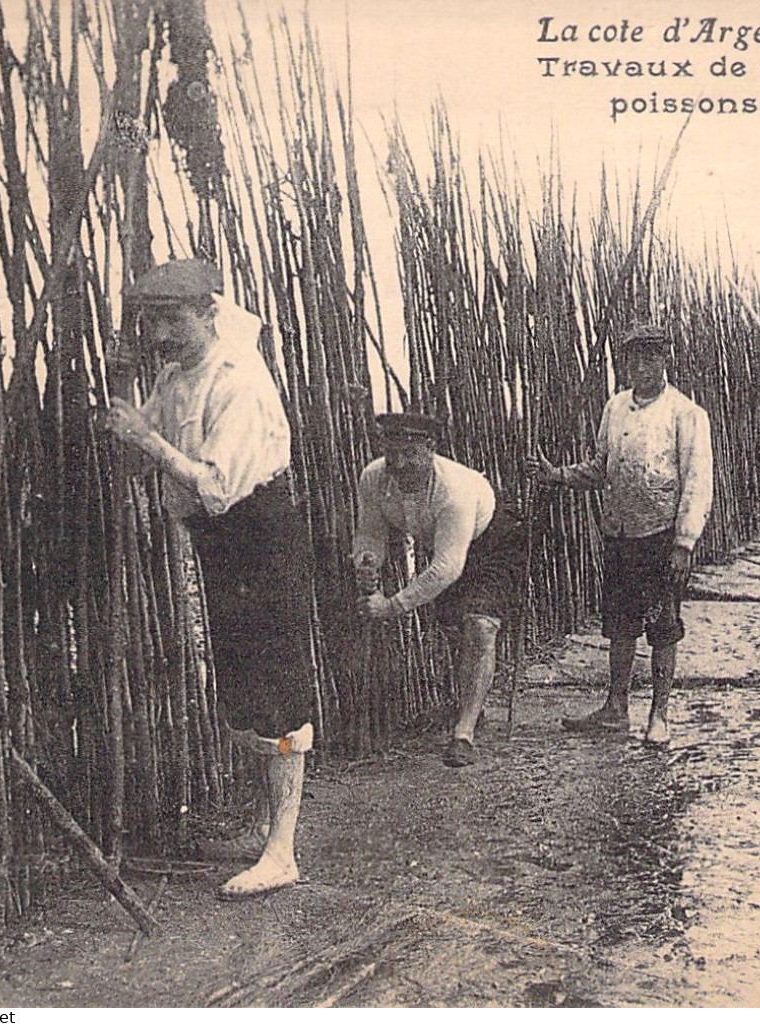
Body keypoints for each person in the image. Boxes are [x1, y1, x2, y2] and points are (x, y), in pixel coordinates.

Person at [104, 258, 314, 900]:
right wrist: (127, 430)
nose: (162, 333)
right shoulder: (175, 374)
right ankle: (264, 829)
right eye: (152, 321)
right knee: (243, 690)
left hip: (260, 535)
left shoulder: (239, 380)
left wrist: (148, 442)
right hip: (219, 543)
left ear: (209, 313)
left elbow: (219, 485)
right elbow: (145, 447)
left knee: (276, 688)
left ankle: (283, 852)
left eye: (173, 318)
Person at [527, 323, 713, 746]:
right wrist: (557, 475)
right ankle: (615, 708)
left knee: (663, 624)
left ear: (665, 360)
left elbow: (697, 482)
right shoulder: (615, 408)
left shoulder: (685, 413)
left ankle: (659, 715)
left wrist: (684, 543)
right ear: (624, 363)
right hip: (620, 533)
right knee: (620, 623)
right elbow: (600, 468)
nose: (642, 367)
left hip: (661, 535)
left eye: (651, 357)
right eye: (634, 358)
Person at [351, 412, 526, 768]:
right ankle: (472, 702)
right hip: (444, 545)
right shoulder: (374, 478)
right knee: (454, 630)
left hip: (492, 540)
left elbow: (447, 568)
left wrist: (391, 605)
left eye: (410, 454)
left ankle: (464, 733)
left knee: (480, 626)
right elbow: (370, 532)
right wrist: (367, 563)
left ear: (430, 450)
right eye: (392, 453)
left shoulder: (453, 491)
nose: (399, 464)